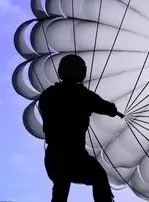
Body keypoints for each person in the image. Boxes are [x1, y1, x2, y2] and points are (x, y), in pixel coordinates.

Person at [38, 54, 124, 202]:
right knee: (99, 177)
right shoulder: (83, 95)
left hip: (53, 157)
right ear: (81, 72)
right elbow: (104, 107)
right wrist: (114, 111)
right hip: (75, 155)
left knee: (60, 185)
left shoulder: (47, 95)